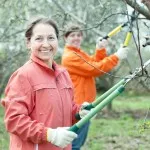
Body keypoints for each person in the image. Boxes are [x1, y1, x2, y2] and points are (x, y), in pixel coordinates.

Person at [1, 17, 90, 150]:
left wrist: (79, 112)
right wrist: (49, 135)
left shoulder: (63, 74)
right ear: (28, 43)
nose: (46, 44)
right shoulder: (23, 76)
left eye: (51, 38)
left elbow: (66, 110)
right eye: (39, 39)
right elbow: (14, 120)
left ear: (57, 41)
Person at [61, 23, 128, 150]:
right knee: (74, 145)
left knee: (76, 143)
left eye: (79, 35)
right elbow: (95, 69)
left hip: (85, 105)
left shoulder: (78, 53)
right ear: (65, 38)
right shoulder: (70, 57)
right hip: (79, 107)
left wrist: (100, 49)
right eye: (72, 35)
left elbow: (93, 62)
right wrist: (116, 56)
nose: (76, 38)